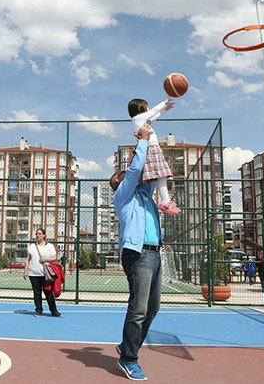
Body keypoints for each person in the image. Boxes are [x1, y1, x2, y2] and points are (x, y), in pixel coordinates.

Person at [109, 122, 164, 381]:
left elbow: (151, 172)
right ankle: (129, 358)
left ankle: (126, 347)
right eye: (124, 174)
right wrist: (141, 141)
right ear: (118, 183)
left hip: (154, 254)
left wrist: (153, 142)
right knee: (138, 309)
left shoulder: (146, 195)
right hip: (137, 254)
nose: (130, 174)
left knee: (152, 309)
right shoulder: (123, 195)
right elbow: (134, 171)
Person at [128, 97, 180, 215]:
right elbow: (153, 113)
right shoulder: (137, 118)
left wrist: (165, 110)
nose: (149, 109)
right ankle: (165, 201)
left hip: (153, 148)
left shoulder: (141, 120)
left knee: (162, 176)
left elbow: (154, 117)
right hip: (151, 148)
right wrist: (164, 103)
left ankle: (165, 201)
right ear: (141, 108)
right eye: (147, 107)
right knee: (161, 175)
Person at [23, 228, 62, 318]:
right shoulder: (31, 247)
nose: (38, 235)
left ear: (44, 235)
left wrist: (45, 259)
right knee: (37, 293)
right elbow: (27, 260)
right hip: (33, 273)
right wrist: (26, 270)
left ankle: (54, 311)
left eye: (40, 233)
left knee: (48, 292)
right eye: (37, 234)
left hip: (45, 274)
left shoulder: (50, 246)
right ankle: (38, 310)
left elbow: (54, 258)